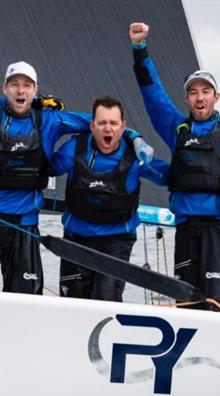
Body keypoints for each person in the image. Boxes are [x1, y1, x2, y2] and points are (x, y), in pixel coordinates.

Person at [0, 61, 153, 295]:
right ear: (4, 88)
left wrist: (133, 136)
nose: (21, 91)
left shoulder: (50, 119)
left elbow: (97, 123)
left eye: (27, 85)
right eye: (14, 85)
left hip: (24, 222)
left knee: (27, 296)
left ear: (35, 89)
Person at [128, 22, 220, 311]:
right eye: (193, 92)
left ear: (216, 97)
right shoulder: (177, 128)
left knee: (216, 304)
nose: (199, 97)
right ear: (186, 98)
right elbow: (153, 96)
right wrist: (139, 51)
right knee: (186, 303)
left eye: (205, 91)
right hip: (186, 229)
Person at [52, 96, 167, 301]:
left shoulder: (136, 156)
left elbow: (170, 177)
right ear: (92, 125)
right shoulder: (73, 149)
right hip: (76, 239)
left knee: (106, 297)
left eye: (114, 123)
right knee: (73, 303)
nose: (108, 129)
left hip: (116, 240)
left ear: (123, 127)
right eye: (102, 123)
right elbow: (45, 168)